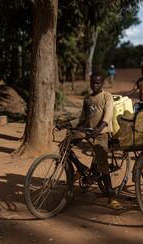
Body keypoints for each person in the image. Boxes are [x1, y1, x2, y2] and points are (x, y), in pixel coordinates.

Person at [60, 73, 122, 209]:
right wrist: (67, 124)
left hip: (101, 132)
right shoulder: (87, 99)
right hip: (87, 130)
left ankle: (111, 197)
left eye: (97, 83)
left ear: (102, 83)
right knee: (64, 145)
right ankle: (81, 168)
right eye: (93, 83)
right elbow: (81, 118)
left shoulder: (107, 96)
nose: (95, 85)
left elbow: (108, 114)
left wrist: (100, 128)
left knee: (102, 164)